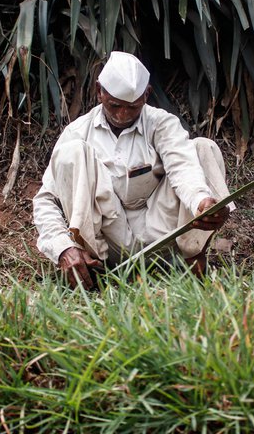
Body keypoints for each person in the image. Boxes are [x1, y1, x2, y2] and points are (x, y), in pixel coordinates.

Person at [32, 51, 233, 289]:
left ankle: (192, 254)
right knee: (71, 153)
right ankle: (95, 269)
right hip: (108, 243)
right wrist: (63, 247)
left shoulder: (161, 123)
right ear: (99, 91)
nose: (122, 115)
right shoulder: (77, 133)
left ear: (146, 95)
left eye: (133, 107)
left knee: (203, 148)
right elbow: (46, 200)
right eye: (114, 105)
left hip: (164, 234)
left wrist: (201, 202)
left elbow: (183, 166)